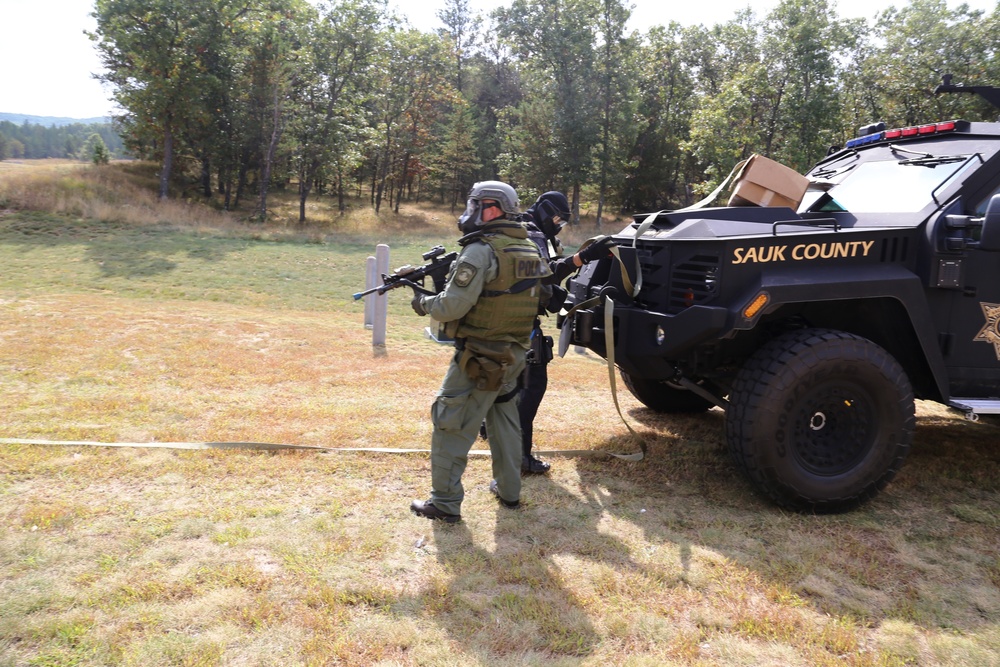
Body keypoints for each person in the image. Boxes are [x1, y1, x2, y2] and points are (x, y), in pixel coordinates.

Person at [409, 180, 550, 523]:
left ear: (492, 207)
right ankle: (510, 492)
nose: (469, 211)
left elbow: (451, 307)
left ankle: (443, 503)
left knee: (450, 422)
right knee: (504, 418)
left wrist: (423, 302)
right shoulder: (530, 249)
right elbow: (543, 298)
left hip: (479, 358)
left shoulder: (480, 250)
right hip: (514, 353)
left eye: (475, 204)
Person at [515, 192, 615, 474]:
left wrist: (582, 258)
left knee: (512, 387)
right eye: (557, 218)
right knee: (532, 387)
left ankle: (497, 434)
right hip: (518, 323)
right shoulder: (531, 233)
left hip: (507, 321)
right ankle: (519, 457)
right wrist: (581, 259)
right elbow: (543, 275)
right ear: (546, 212)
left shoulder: (519, 228)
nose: (558, 225)